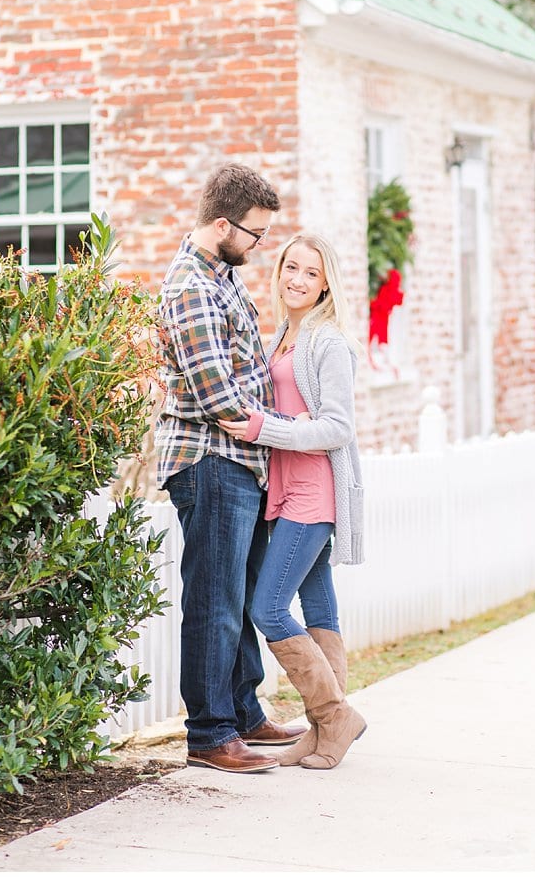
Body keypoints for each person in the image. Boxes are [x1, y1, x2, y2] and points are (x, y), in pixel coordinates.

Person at [156, 163, 304, 774]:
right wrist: (282, 431)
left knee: (239, 598)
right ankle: (211, 734)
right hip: (210, 460)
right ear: (222, 224)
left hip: (240, 460)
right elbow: (216, 391)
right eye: (254, 234)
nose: (259, 245)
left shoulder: (223, 276)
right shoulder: (192, 284)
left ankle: (243, 714)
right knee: (215, 601)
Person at [219, 232, 369, 769]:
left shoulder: (328, 341)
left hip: (314, 493)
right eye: (291, 268)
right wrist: (282, 423)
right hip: (285, 490)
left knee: (267, 607)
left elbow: (336, 428)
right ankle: (324, 727)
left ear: (326, 282)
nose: (297, 279)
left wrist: (264, 427)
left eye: (310, 272)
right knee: (319, 604)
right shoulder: (285, 334)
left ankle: (333, 717)